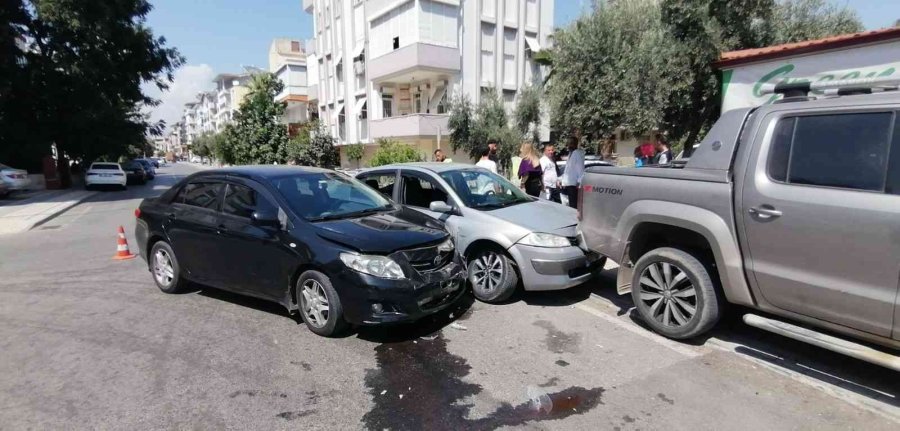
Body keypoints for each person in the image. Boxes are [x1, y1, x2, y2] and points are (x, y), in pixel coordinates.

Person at [560, 136, 584, 208]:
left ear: (575, 144)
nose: (569, 145)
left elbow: (581, 169)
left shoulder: (577, 153)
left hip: (574, 184)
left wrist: (579, 181)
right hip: (568, 184)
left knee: (573, 206)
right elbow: (568, 170)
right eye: (569, 143)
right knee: (569, 205)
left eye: (571, 143)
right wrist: (562, 180)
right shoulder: (571, 153)